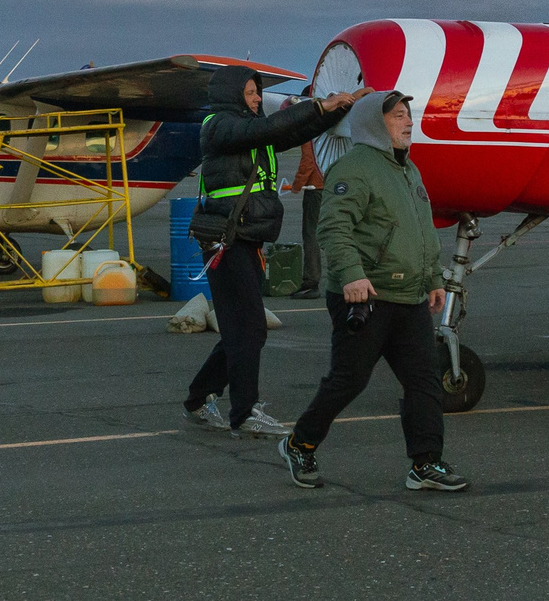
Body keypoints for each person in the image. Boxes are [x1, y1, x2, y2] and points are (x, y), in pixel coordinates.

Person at [279, 92, 467, 491]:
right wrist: (350, 275)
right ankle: (300, 444)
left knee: (424, 380)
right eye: (398, 116)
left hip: (409, 296)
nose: (408, 123)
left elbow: (422, 231)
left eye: (408, 116)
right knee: (349, 380)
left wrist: (433, 278)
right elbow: (333, 227)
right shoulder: (355, 168)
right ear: (372, 123)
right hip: (364, 295)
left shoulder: (408, 170)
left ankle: (425, 464)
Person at [182, 67, 367, 439]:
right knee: (249, 329)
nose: (255, 98)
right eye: (250, 92)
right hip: (227, 242)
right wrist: (319, 104)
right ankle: (245, 411)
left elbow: (296, 130)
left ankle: (200, 398)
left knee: (241, 329)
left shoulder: (250, 130)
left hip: (244, 239)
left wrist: (341, 109)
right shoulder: (219, 126)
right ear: (233, 94)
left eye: (257, 92)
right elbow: (268, 128)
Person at [287, 129, 326, 299]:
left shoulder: (311, 131)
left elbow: (308, 162)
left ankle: (311, 282)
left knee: (311, 234)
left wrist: (297, 184)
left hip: (316, 188)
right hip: (336, 186)